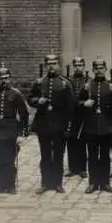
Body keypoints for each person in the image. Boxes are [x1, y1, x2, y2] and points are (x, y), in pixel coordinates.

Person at [28, 52, 74, 194]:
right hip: (43, 124)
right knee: (45, 154)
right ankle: (45, 183)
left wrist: (68, 126)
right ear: (46, 65)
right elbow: (30, 98)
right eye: (49, 64)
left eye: (54, 63)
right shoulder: (39, 82)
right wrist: (37, 101)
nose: (51, 66)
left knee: (59, 155)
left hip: (59, 125)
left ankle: (58, 183)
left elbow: (70, 107)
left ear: (58, 65)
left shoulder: (65, 84)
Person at [0, 63, 29, 194]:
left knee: (9, 158)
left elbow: (23, 113)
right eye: (1, 78)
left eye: (6, 78)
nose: (3, 81)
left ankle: (10, 185)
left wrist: (23, 130)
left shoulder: (16, 94)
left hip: (10, 130)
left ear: (9, 78)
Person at [78, 55, 112, 194]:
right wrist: (84, 104)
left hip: (107, 127)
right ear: (93, 70)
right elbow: (77, 104)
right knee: (93, 156)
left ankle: (105, 183)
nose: (99, 70)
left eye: (102, 68)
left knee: (106, 156)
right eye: (96, 68)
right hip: (91, 127)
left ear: (106, 69)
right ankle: (93, 183)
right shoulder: (86, 86)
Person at [66, 56, 88, 179]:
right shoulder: (68, 81)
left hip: (84, 116)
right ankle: (72, 168)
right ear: (73, 67)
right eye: (76, 65)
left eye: (80, 65)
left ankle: (82, 168)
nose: (78, 67)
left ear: (84, 66)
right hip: (71, 116)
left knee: (82, 142)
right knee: (71, 141)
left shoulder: (88, 80)